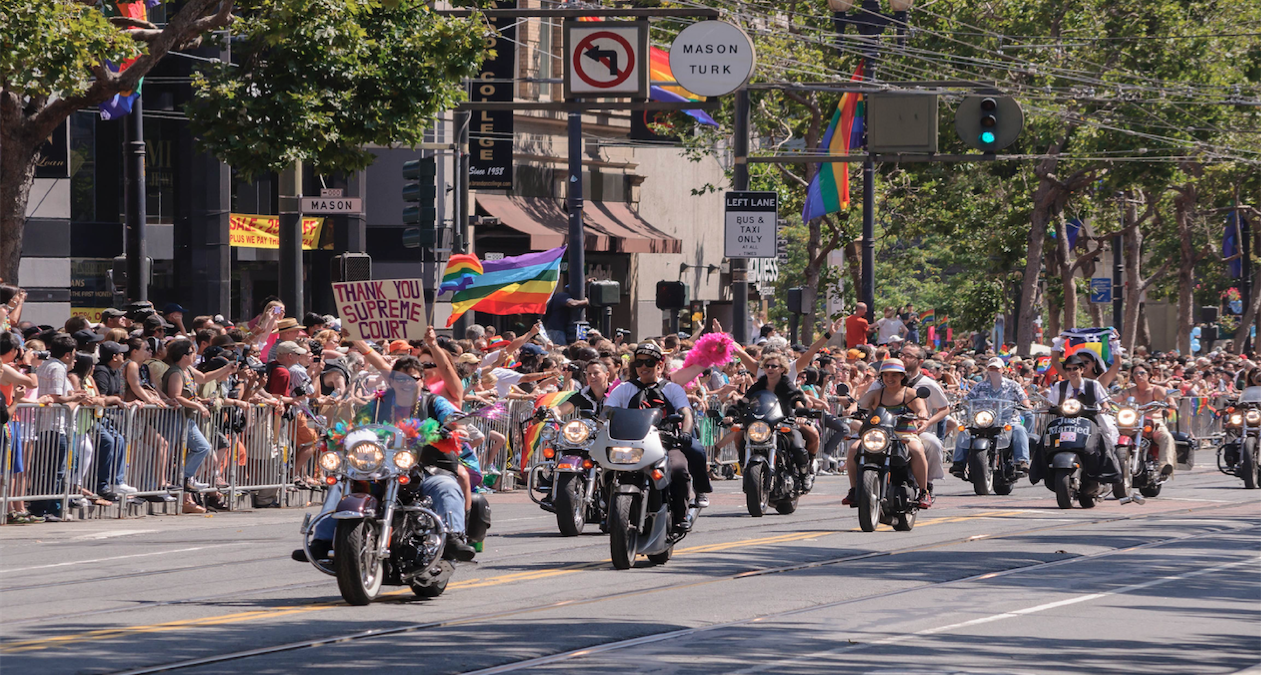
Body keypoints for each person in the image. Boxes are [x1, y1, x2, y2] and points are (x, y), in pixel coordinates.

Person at [295, 354, 477, 564]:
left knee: (446, 485)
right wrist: (340, 435)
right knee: (339, 485)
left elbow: (451, 415)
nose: (406, 383)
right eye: (400, 379)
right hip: (379, 468)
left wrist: (457, 427)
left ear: (422, 381)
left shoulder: (434, 401)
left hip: (425, 469)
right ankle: (321, 541)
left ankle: (453, 537)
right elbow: (358, 425)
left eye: (413, 378)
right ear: (391, 381)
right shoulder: (377, 404)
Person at [604, 343, 713, 527]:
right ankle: (608, 513)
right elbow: (607, 410)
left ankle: (680, 516)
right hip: (632, 444)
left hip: (666, 443)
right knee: (606, 469)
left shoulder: (672, 389)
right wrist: (601, 423)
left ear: (660, 365)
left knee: (678, 469)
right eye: (639, 363)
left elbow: (686, 413)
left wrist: (685, 432)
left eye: (649, 362)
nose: (644, 367)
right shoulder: (623, 389)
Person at [842, 358, 933, 509]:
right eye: (886, 375)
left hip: (904, 434)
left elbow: (921, 408)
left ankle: (924, 492)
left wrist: (922, 414)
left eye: (894, 375)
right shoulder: (876, 393)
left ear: (902, 376)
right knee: (853, 449)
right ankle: (853, 490)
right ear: (882, 377)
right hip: (877, 434)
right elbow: (860, 403)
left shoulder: (910, 393)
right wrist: (851, 409)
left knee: (917, 449)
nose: (890, 379)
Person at [950, 357, 1032, 478]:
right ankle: (958, 463)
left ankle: (1021, 462)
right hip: (983, 421)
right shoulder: (979, 386)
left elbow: (1024, 399)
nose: (993, 370)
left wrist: (1026, 405)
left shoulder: (1013, 385)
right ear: (987, 369)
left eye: (996, 368)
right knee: (964, 430)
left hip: (1007, 421)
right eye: (991, 368)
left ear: (1002, 370)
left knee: (1019, 430)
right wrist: (960, 404)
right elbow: (968, 399)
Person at [1119, 362, 1179, 479]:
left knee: (1166, 436)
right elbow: (1116, 399)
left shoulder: (1157, 390)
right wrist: (1105, 403)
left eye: (1142, 373)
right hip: (1133, 422)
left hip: (1154, 422)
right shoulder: (1130, 391)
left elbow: (1169, 398)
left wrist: (1171, 403)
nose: (1139, 376)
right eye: (1136, 373)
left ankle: (1164, 466)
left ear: (1149, 374)